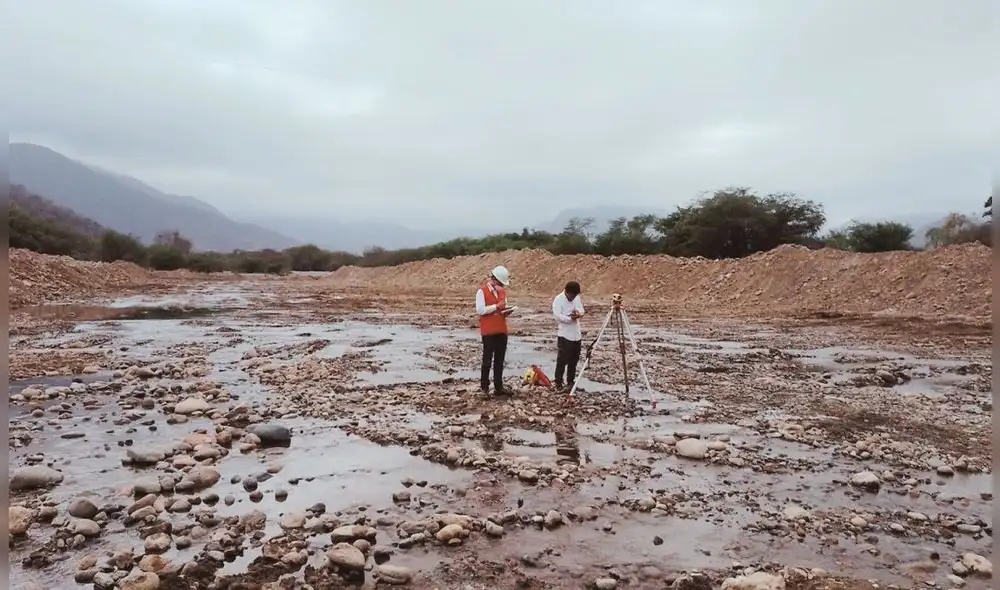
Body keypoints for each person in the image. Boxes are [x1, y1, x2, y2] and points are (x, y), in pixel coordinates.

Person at [475, 265, 514, 396]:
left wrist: (506, 311)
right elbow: (480, 310)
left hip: (501, 330)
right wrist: (496, 306)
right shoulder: (482, 291)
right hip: (489, 331)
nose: (502, 286)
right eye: (501, 283)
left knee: (499, 360)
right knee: (487, 361)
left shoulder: (502, 292)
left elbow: (502, 308)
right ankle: (484, 388)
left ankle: (499, 387)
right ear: (495, 279)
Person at [552, 281, 584, 390]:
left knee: (574, 360)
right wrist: (570, 318)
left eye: (575, 295)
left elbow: (581, 310)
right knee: (562, 360)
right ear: (567, 291)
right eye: (572, 295)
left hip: (576, 334)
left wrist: (578, 314)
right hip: (565, 334)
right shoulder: (558, 299)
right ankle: (558, 382)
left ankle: (570, 381)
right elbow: (557, 316)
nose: (573, 297)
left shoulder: (577, 298)